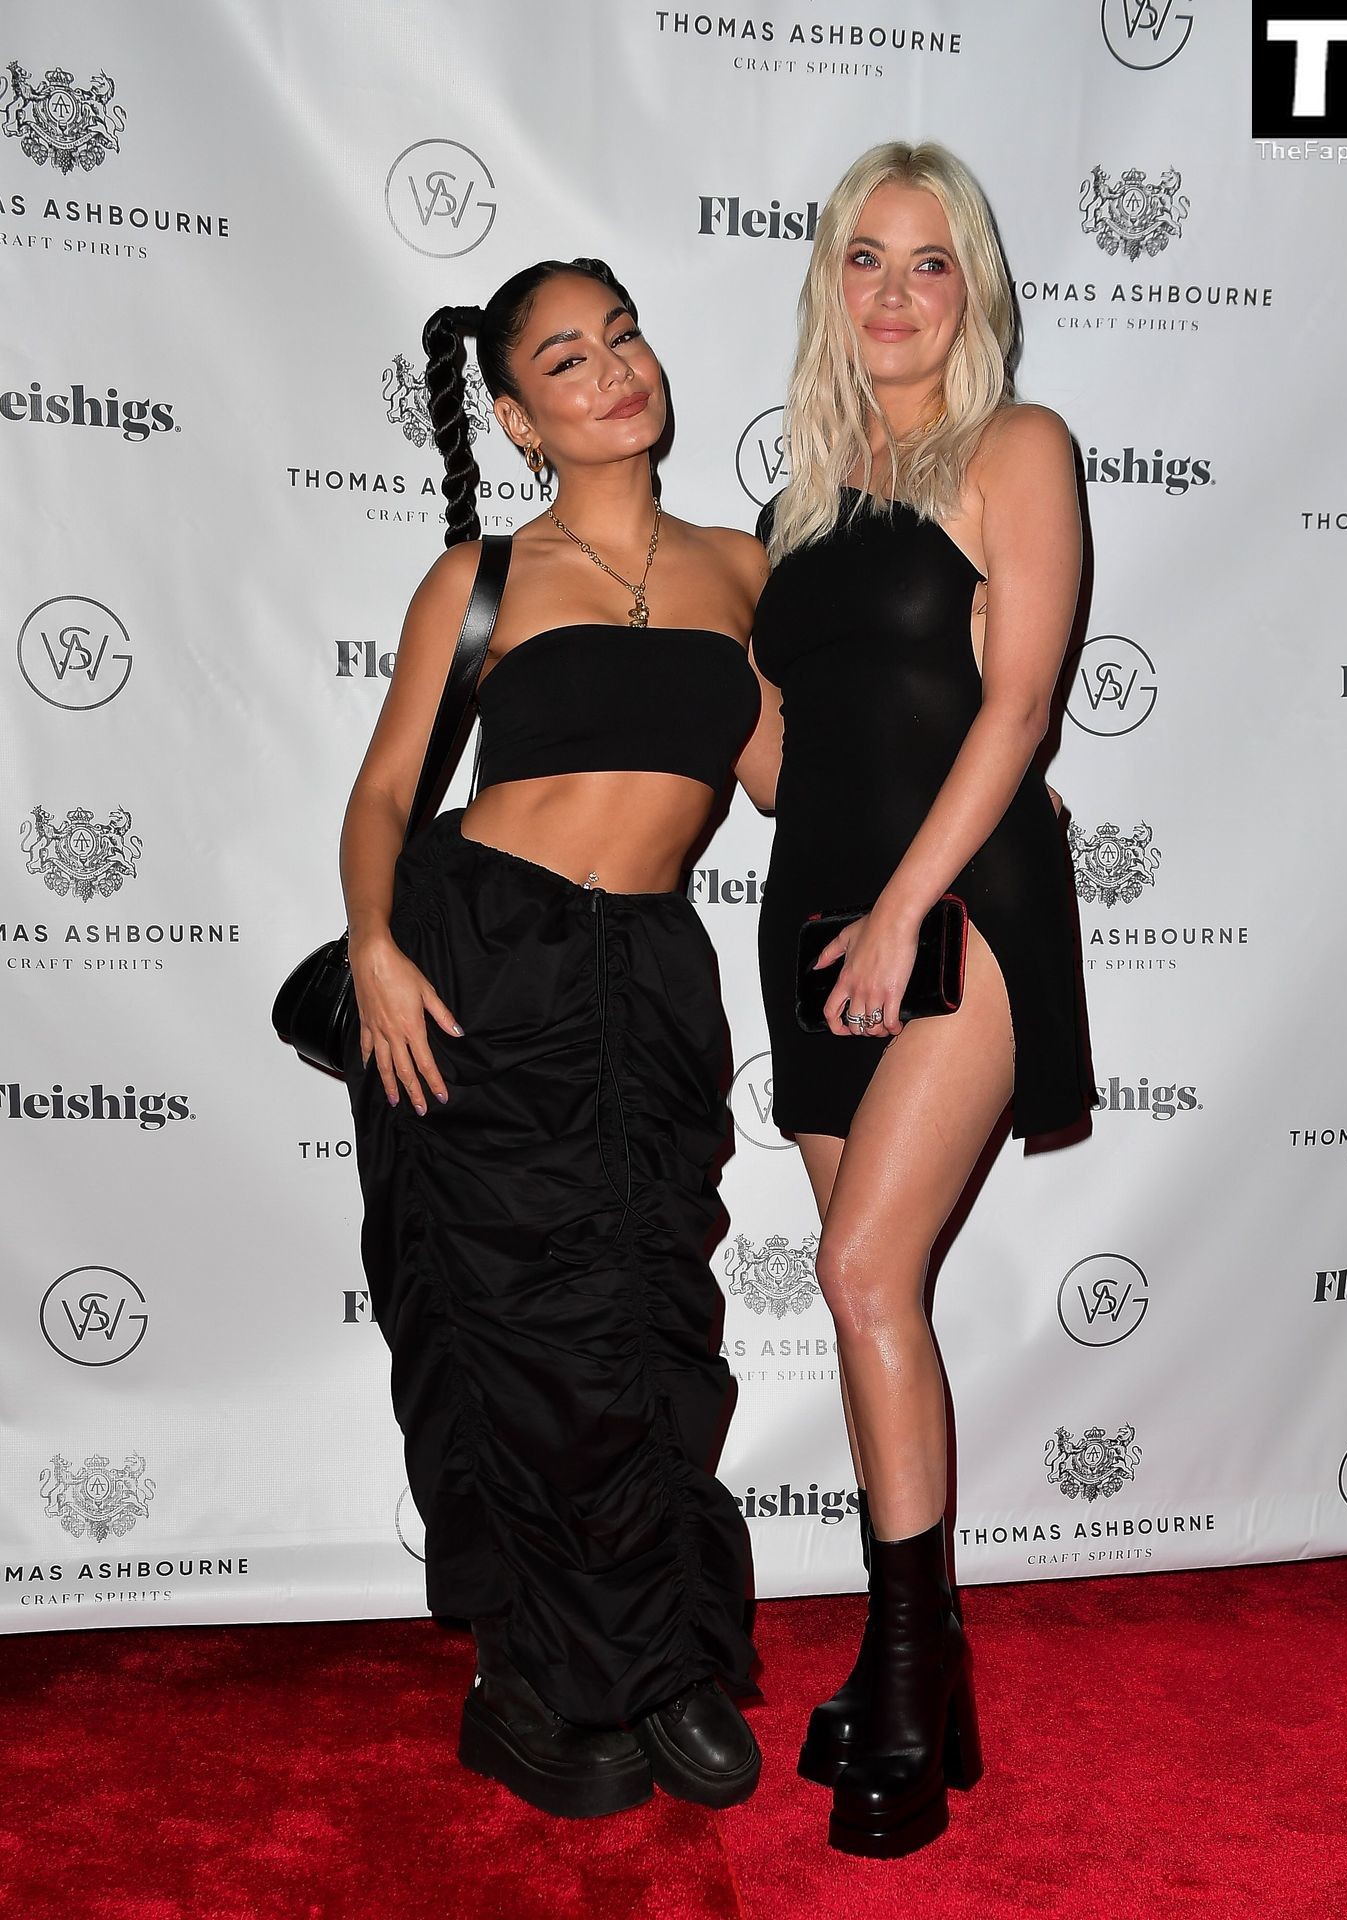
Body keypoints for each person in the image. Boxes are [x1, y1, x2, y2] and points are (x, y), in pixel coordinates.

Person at [338, 257, 776, 1819]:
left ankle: (666, 1667)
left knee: (651, 1328)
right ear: (521, 420)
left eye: (626, 335)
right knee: (519, 1343)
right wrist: (376, 949)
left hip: (646, 977)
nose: (614, 370)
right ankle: (527, 1682)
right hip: (479, 963)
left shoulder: (745, 567)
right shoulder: (480, 578)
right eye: (568, 359)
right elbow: (386, 793)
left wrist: (975, 777)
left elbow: (794, 779)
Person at [746, 142, 1091, 1857]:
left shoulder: (1015, 449)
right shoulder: (797, 508)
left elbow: (1017, 707)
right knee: (868, 1297)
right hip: (810, 922)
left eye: (931, 260)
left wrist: (902, 911)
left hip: (961, 912)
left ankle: (899, 1675)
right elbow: (773, 763)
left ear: (975, 289)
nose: (895, 292)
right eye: (867, 259)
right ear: (831, 282)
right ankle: (928, 1667)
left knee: (862, 1270)